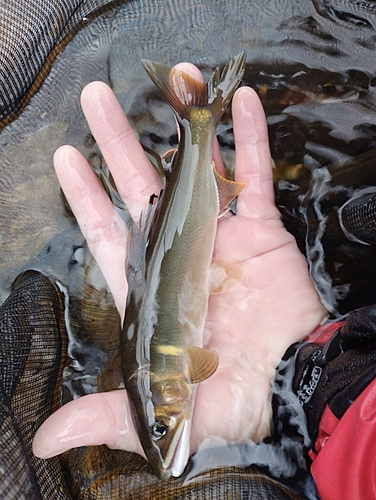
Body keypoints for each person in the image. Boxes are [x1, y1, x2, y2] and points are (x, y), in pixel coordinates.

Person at [33, 63, 327, 488]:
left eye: (160, 429)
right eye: (159, 429)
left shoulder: (186, 371)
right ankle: (199, 120)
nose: (166, 435)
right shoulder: (174, 375)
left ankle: (199, 121)